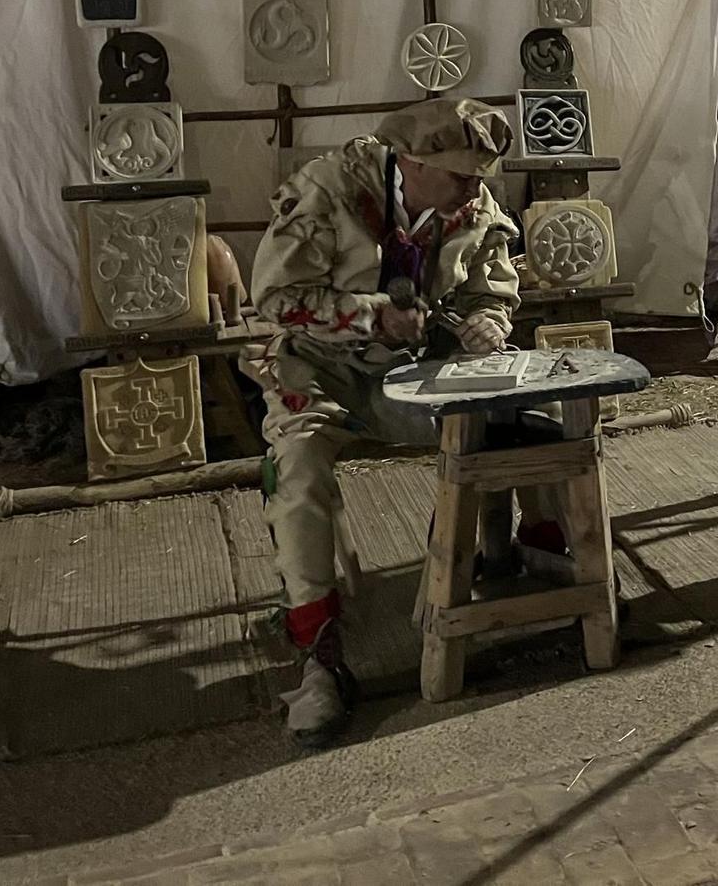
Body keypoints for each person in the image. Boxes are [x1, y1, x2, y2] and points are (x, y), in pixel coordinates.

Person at [244, 96, 571, 748]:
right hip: (324, 375)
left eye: (481, 176)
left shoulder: (471, 205)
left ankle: (526, 548)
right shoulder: (327, 191)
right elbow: (276, 298)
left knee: (533, 407)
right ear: (412, 162)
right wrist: (369, 316)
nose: (474, 189)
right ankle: (320, 652)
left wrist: (489, 322)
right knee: (299, 467)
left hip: (425, 374)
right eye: (459, 175)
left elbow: (492, 286)